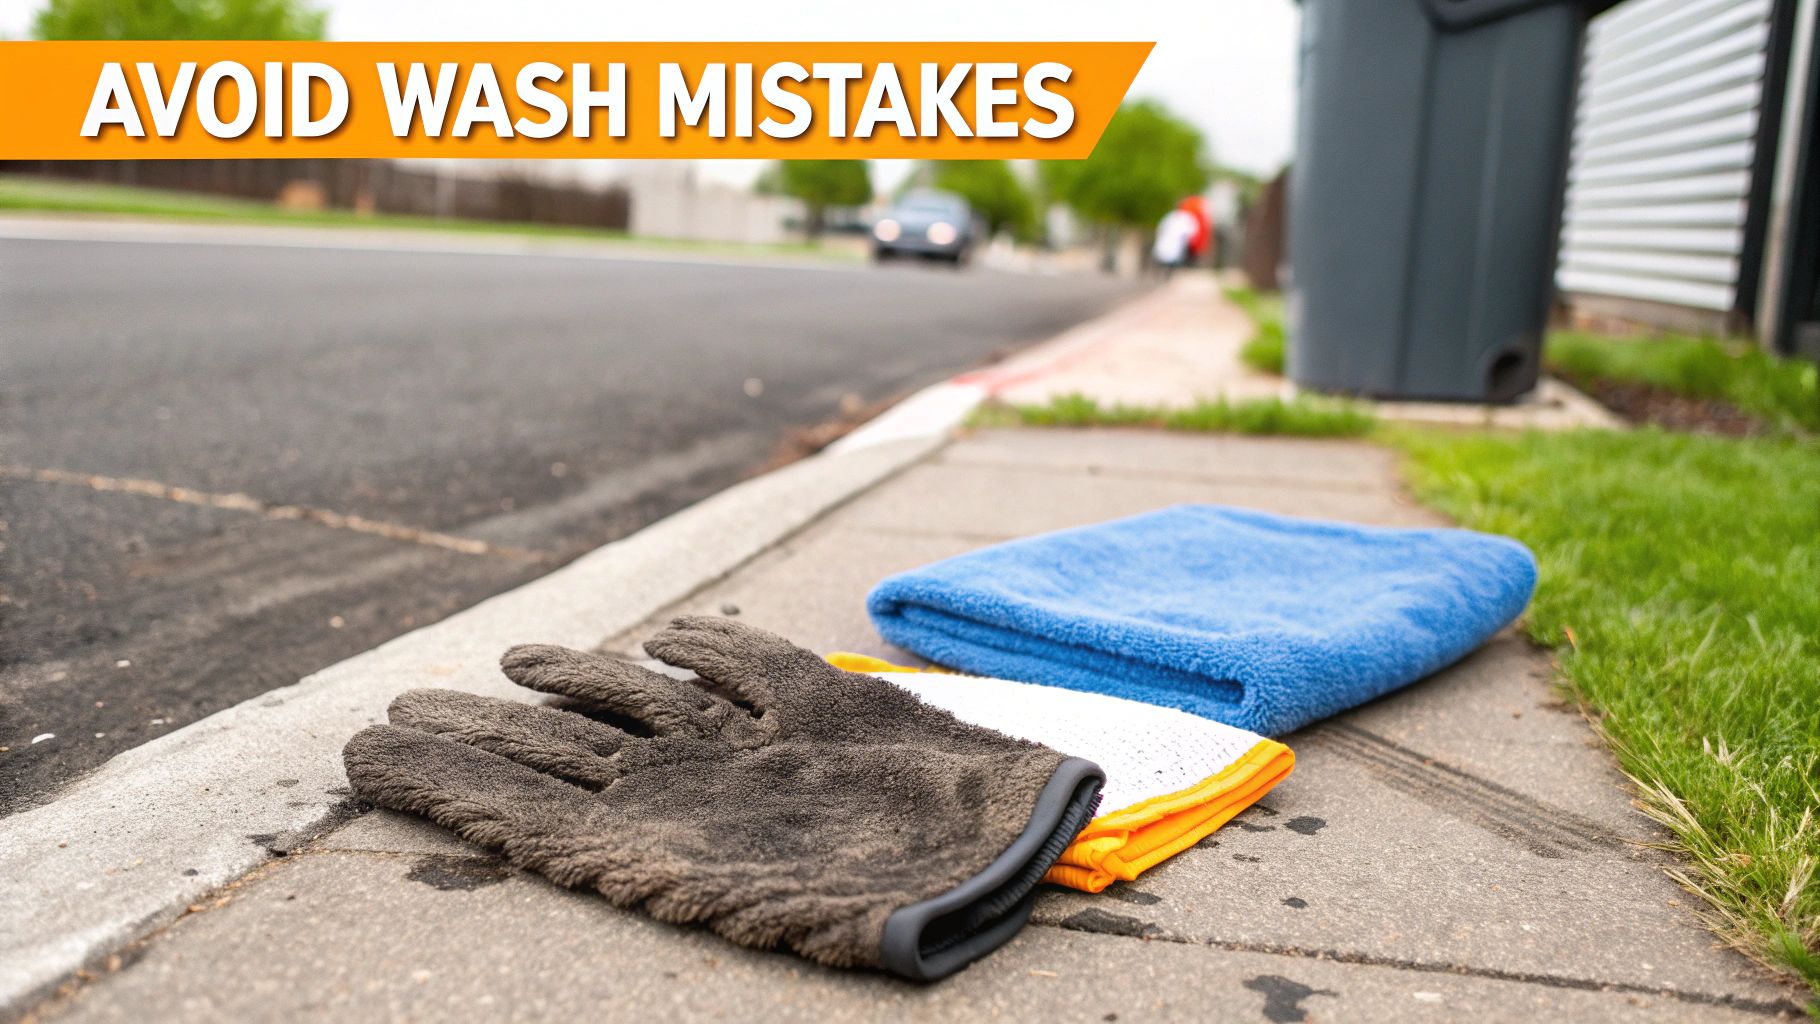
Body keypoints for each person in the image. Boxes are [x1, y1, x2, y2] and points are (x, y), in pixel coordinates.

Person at [1152, 207, 1198, 276]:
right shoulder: (1179, 217)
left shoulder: (1183, 218)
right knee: (1165, 258)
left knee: (1170, 259)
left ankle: (1165, 274)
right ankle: (1162, 274)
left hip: (1175, 243)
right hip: (1170, 242)